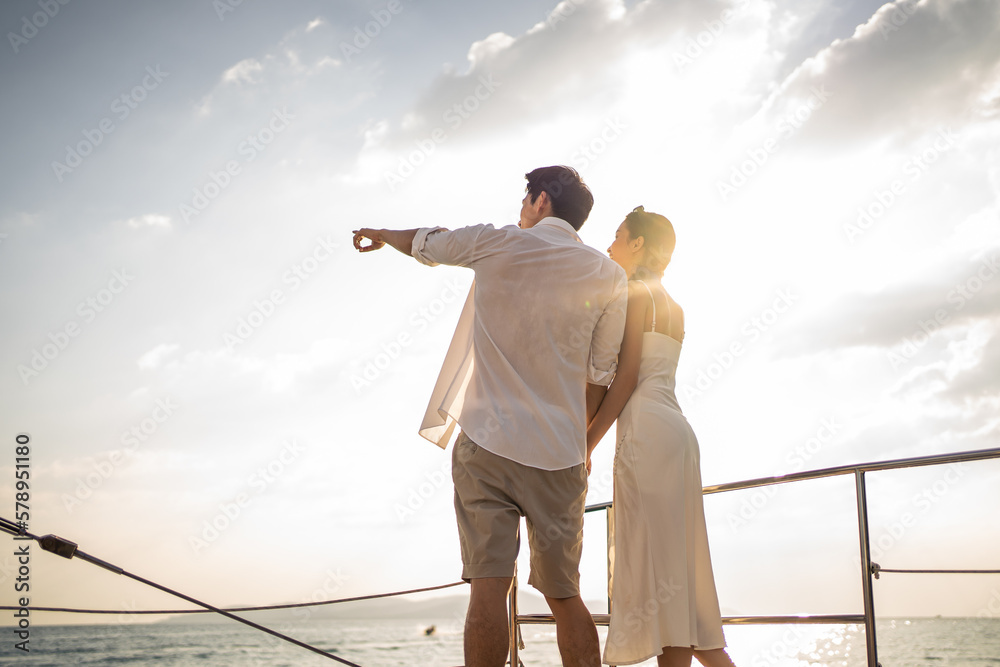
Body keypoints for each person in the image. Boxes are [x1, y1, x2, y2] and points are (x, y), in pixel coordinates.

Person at [352, 165, 628, 667]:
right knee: (565, 596)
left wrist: (378, 234)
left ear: (541, 200)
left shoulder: (497, 243)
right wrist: (580, 446)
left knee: (487, 589)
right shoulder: (609, 276)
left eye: (525, 200)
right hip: (560, 456)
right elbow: (599, 374)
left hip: (487, 447)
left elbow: (426, 243)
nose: (521, 210)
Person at [586, 207, 737, 667]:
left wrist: (585, 443)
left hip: (648, 432)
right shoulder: (674, 305)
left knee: (663, 581)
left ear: (638, 245)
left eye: (617, 237)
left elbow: (626, 378)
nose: (609, 245)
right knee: (680, 583)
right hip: (678, 432)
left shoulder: (635, 294)